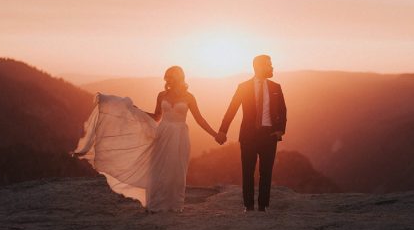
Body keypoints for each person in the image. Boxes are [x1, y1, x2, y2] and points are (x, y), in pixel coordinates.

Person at [74, 66, 219, 212]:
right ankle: (156, 204)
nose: (168, 80)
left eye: (171, 77)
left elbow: (200, 119)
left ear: (179, 78)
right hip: (163, 134)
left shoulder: (189, 97)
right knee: (158, 169)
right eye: (167, 77)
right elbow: (157, 117)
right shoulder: (162, 95)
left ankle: (174, 206)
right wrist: (137, 111)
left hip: (180, 136)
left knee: (177, 171)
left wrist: (215, 134)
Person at [216, 55, 287, 212]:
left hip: (269, 135)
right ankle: (248, 206)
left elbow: (282, 110)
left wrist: (280, 130)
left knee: (266, 172)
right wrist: (222, 131)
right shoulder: (244, 87)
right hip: (249, 135)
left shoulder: (276, 87)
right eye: (269, 65)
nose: (272, 67)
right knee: (247, 171)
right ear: (258, 67)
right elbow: (232, 109)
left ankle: (263, 206)